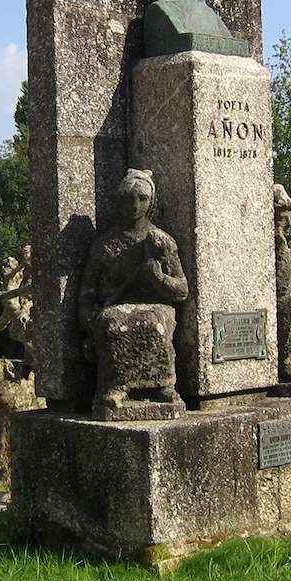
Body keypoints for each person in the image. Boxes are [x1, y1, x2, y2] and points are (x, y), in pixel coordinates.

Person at [78, 169, 188, 416]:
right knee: (112, 321)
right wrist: (90, 322)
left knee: (154, 320)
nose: (134, 206)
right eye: (128, 198)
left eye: (142, 199)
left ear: (151, 203)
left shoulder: (160, 242)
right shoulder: (104, 245)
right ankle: (116, 387)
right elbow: (87, 294)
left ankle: (162, 384)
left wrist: (158, 278)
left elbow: (182, 290)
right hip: (115, 310)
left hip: (156, 310)